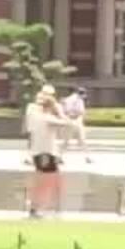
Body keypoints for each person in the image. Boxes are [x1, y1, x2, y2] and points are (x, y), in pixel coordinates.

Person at [25, 86, 70, 217]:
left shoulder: (33, 113)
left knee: (43, 181)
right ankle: (41, 208)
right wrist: (60, 111)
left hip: (38, 152)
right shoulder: (47, 118)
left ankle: (37, 208)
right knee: (46, 182)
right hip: (46, 153)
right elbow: (67, 123)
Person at [60, 85, 88, 160]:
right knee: (82, 140)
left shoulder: (66, 99)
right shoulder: (79, 100)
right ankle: (87, 157)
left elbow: (64, 111)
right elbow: (81, 112)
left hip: (69, 121)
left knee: (66, 140)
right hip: (76, 121)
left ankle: (60, 156)